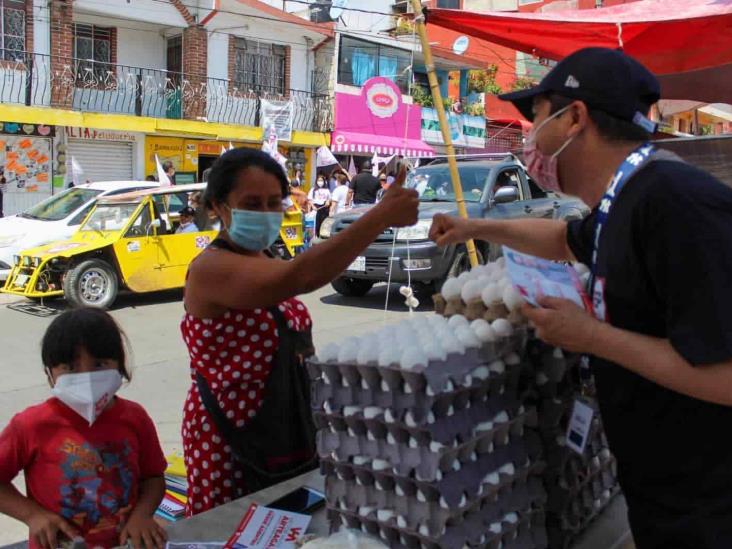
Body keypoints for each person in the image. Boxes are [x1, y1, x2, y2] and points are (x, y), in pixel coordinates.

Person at [428, 47, 732, 549]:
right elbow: (563, 239)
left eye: (537, 117)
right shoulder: (626, 199)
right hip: (664, 492)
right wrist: (473, 226)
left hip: (710, 508)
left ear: (574, 118)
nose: (530, 137)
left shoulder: (673, 201)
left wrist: (592, 336)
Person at [181, 148, 418, 515]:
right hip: (231, 438)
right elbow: (301, 276)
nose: (265, 213)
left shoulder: (267, 256)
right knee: (237, 529)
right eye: (251, 203)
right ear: (218, 206)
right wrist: (379, 217)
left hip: (286, 428)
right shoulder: (211, 268)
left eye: (274, 202)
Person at [0, 308, 167, 549]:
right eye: (70, 368)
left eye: (99, 364)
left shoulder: (135, 417)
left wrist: (142, 515)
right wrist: (32, 515)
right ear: (49, 375)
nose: (87, 377)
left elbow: (153, 477)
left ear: (119, 366)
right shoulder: (31, 425)